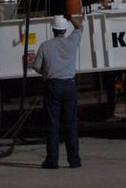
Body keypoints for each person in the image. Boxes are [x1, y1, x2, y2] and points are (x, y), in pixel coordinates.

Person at [31, 13, 84, 169]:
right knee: (71, 124)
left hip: (52, 85)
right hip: (69, 85)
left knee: (52, 124)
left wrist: (46, 72)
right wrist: (71, 17)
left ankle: (52, 161)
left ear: (52, 29)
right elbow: (80, 27)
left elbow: (36, 67)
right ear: (65, 29)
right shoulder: (72, 42)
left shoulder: (45, 46)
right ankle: (74, 161)